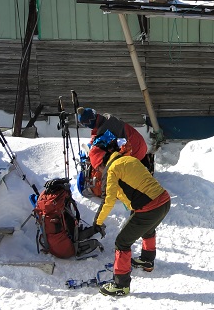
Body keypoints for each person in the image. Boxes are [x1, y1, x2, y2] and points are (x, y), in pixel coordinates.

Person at [91, 132, 171, 297]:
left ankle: (121, 285)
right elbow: (132, 188)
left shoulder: (111, 170)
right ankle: (147, 260)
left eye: (97, 168)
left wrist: (97, 222)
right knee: (147, 229)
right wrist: (133, 210)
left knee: (122, 242)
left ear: (100, 163)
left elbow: (108, 200)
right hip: (164, 201)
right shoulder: (128, 159)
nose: (98, 172)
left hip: (150, 208)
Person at [77, 107, 154, 173]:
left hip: (135, 151)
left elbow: (99, 150)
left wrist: (91, 155)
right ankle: (144, 161)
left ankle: (141, 166)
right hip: (140, 143)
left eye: (84, 124)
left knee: (110, 163)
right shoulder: (106, 119)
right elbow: (97, 135)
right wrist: (91, 144)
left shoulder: (105, 131)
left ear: (89, 122)